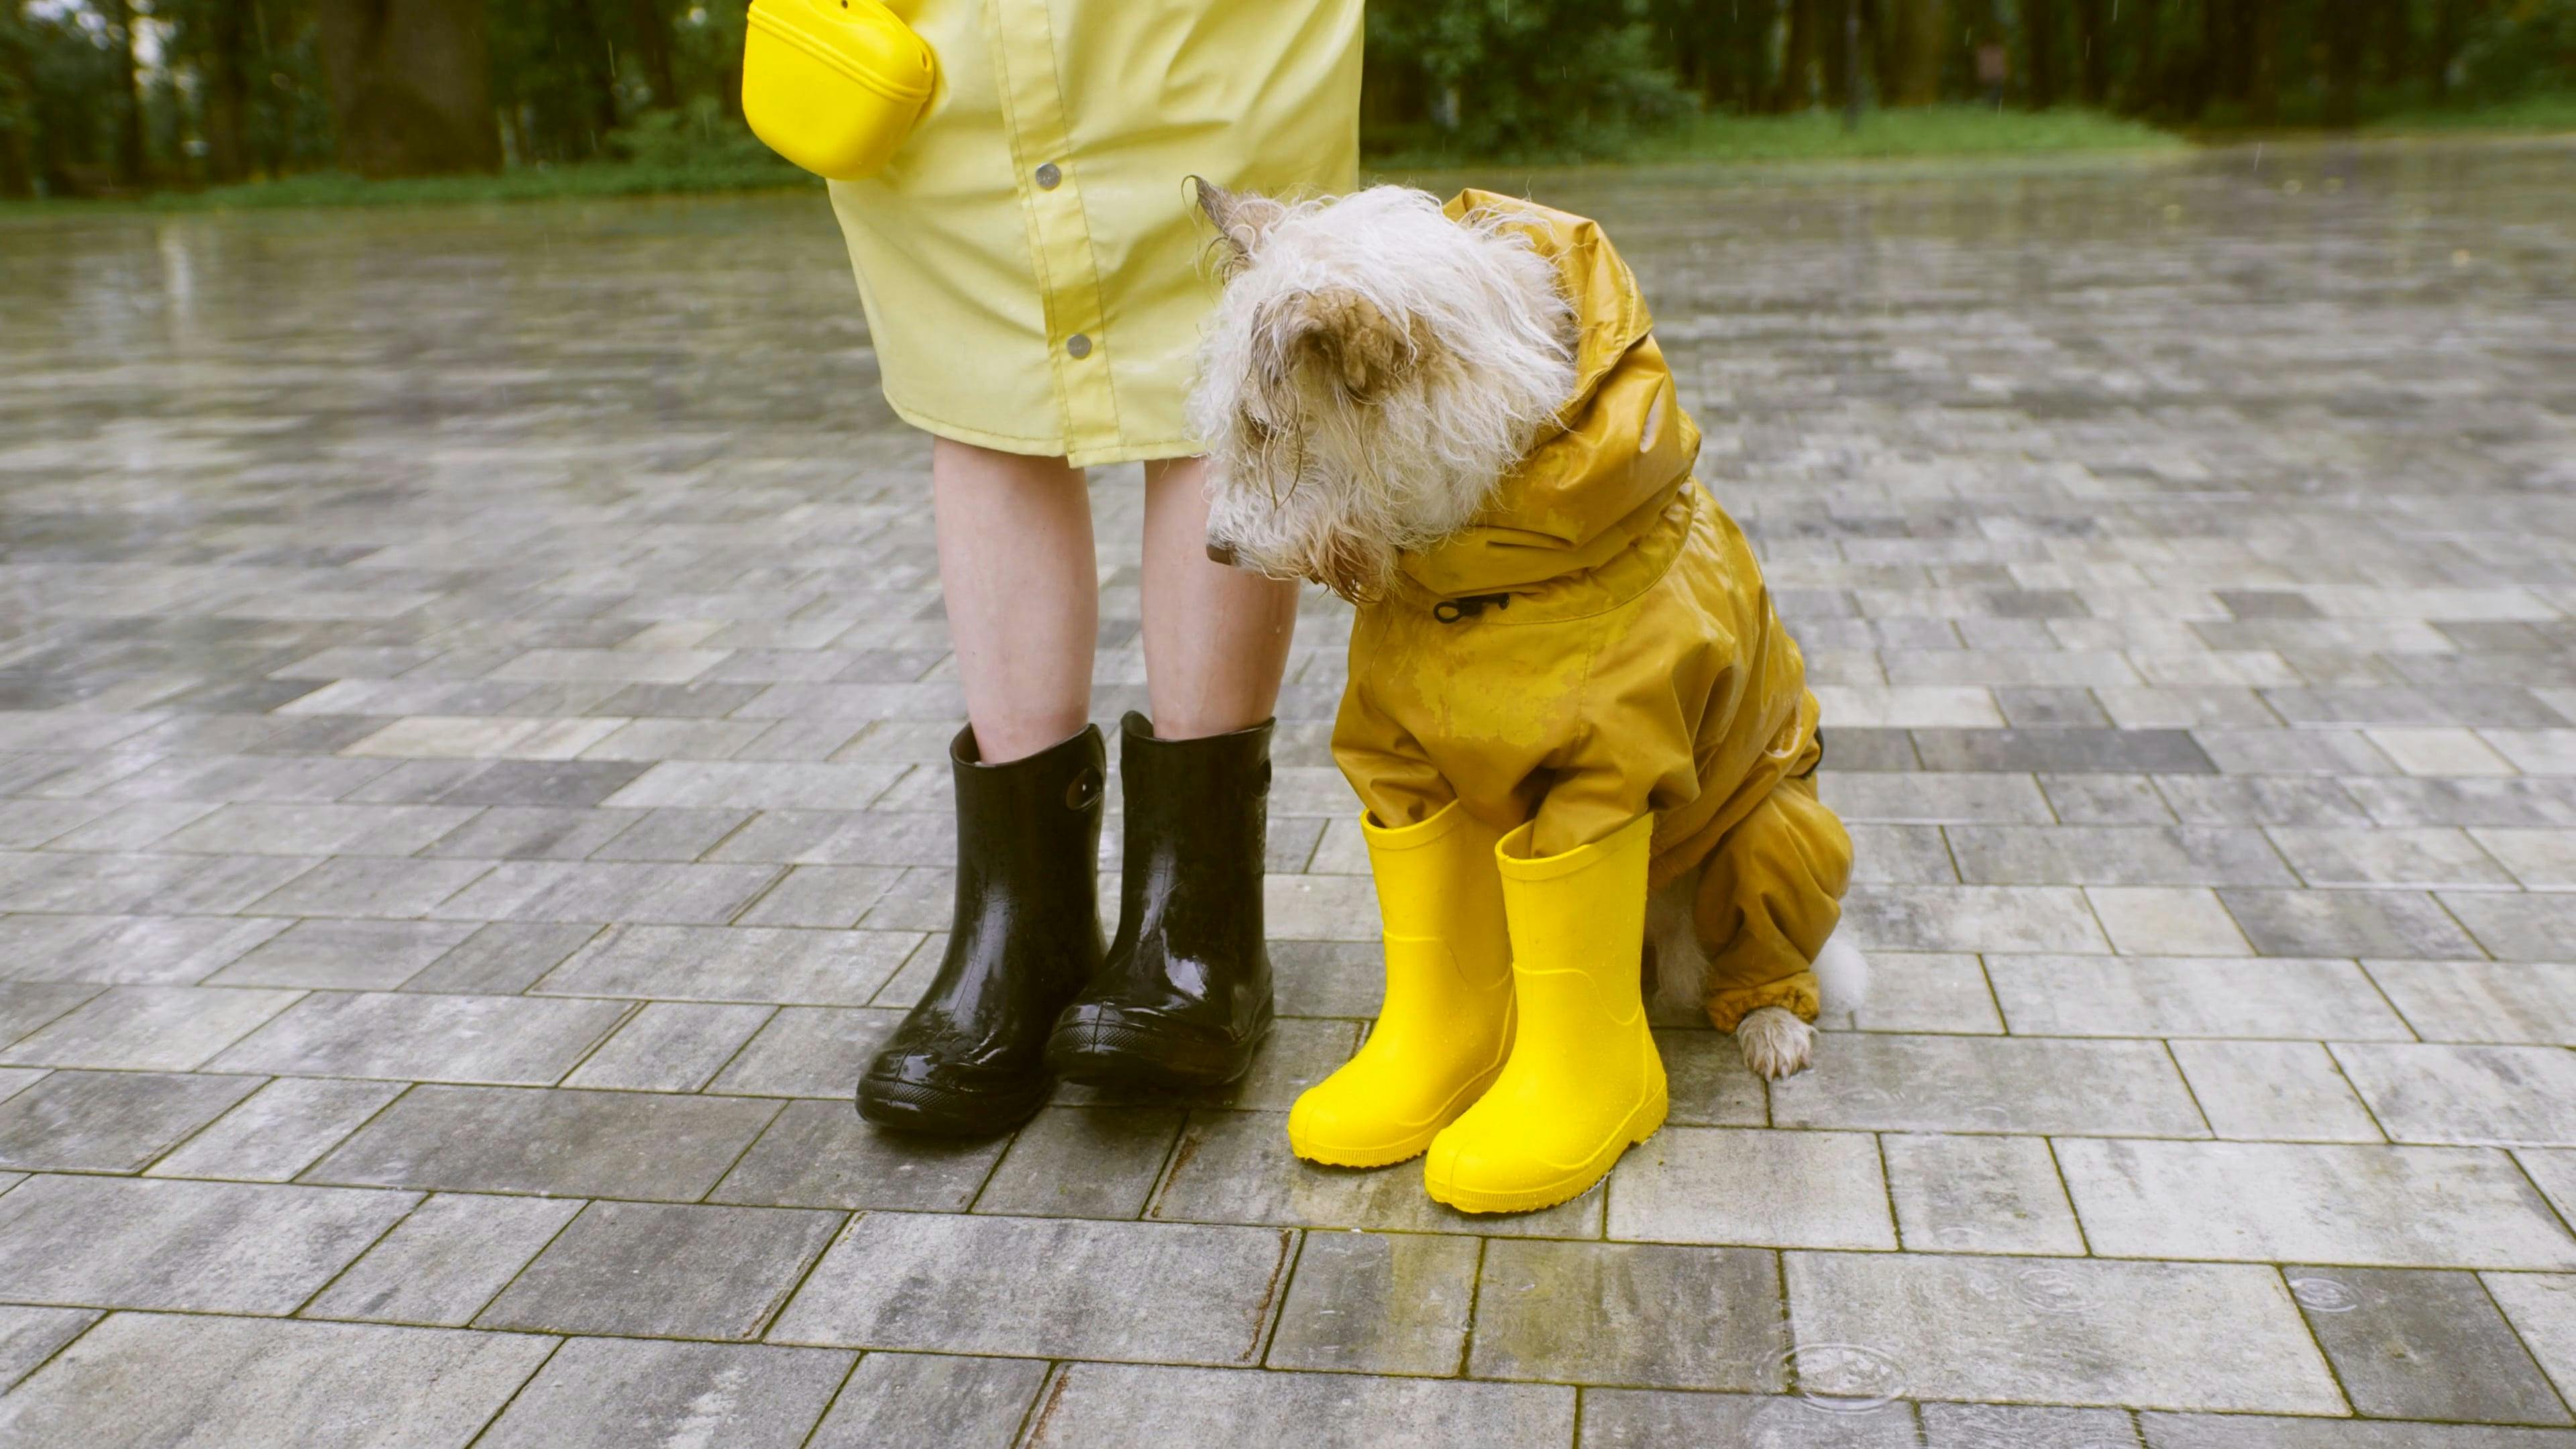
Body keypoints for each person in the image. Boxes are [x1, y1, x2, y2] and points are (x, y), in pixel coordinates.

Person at [825, 0, 1364, 1136]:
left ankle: (1201, 931)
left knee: (1223, 345)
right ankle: (1027, 932)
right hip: (934, 39)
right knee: (978, 372)